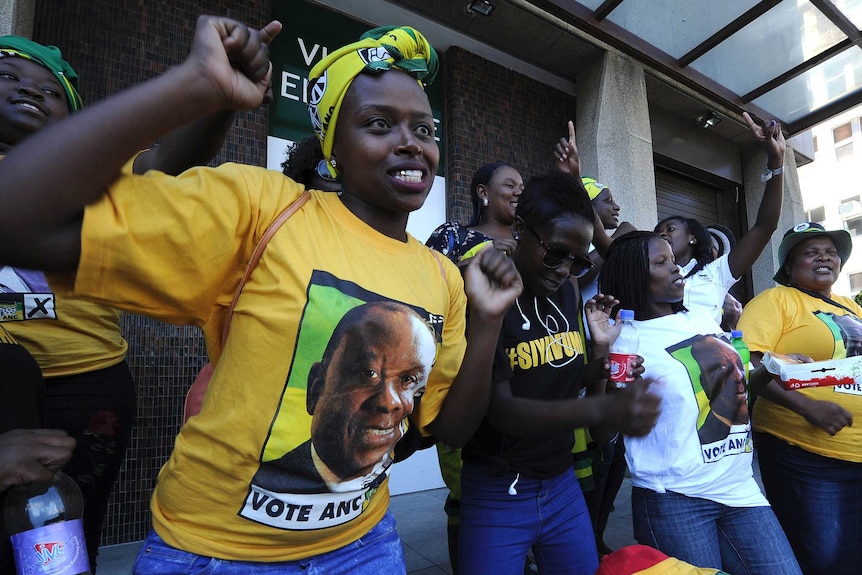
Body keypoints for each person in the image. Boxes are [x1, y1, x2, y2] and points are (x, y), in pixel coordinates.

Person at [0, 18, 523, 573]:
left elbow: (451, 429)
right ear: (333, 147)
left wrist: (488, 319)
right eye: (377, 124)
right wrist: (193, 88)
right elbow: (20, 218)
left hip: (365, 548)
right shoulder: (264, 211)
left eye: (424, 130)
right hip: (214, 553)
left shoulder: (441, 277)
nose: (410, 144)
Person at [0, 34, 246, 571]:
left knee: (61, 529)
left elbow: (169, 158)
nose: (31, 92)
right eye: (9, 78)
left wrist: (219, 96)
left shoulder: (91, 169)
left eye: (51, 91)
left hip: (86, 381)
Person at [457, 171, 661, 575]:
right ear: (519, 229)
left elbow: (558, 378)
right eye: (555, 253)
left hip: (562, 482)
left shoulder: (567, 293)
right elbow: (502, 410)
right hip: (498, 488)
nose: (565, 269)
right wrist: (602, 413)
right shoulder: (483, 292)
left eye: (579, 260)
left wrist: (600, 361)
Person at [599, 230, 801, 575]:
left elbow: (732, 391)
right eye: (662, 262)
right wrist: (606, 371)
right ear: (634, 274)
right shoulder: (624, 338)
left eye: (674, 260)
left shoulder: (700, 318)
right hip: (675, 498)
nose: (677, 269)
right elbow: (603, 432)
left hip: (738, 486)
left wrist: (774, 366)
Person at [737, 221, 862, 575]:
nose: (824, 257)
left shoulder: (851, 306)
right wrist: (807, 407)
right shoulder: (775, 301)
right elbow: (747, 362)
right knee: (824, 557)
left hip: (856, 448)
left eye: (830, 252)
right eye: (810, 252)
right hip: (806, 453)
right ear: (789, 269)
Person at [425, 159, 524, 572]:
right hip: (466, 375)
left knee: (516, 477)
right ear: (482, 192)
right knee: (467, 487)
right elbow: (425, 286)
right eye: (509, 184)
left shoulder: (531, 238)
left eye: (523, 186)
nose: (520, 191)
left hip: (522, 377)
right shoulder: (454, 235)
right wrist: (476, 264)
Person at [254, 301, 437, 495]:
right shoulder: (265, 480)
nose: (389, 402)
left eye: (408, 379)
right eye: (368, 373)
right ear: (316, 386)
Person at [655, 112, 785, 324]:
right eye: (657, 233)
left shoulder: (716, 273)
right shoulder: (650, 273)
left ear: (692, 238)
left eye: (670, 229)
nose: (661, 234)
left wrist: (776, 161)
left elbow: (765, 227)